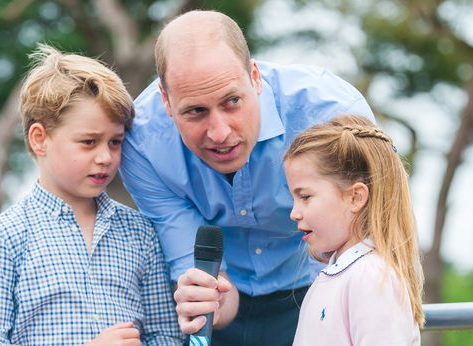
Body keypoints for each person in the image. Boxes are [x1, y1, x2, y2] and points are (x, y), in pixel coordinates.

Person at [118, 9, 375, 345]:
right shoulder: (142, 145)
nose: (220, 133)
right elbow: (192, 258)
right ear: (166, 101)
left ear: (255, 77)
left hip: (319, 283)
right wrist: (213, 297)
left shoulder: (334, 115)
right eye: (196, 111)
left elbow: (365, 239)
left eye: (232, 102)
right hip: (220, 302)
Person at [0, 44, 183, 345]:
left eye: (115, 142)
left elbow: (166, 334)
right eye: (89, 142)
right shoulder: (6, 235)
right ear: (40, 139)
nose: (105, 156)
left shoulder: (140, 233)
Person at [284, 114, 424, 345]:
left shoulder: (371, 276)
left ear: (355, 197)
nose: (294, 213)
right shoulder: (336, 275)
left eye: (305, 197)